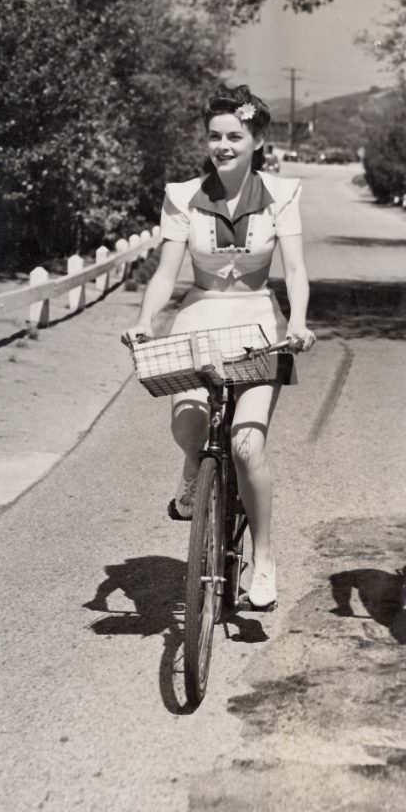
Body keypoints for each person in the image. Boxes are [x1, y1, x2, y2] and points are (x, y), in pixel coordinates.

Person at [122, 83, 315, 609]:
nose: (223, 145)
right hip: (199, 316)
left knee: (247, 445)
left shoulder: (283, 195)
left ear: (256, 140)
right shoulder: (182, 196)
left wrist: (297, 320)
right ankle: (193, 468)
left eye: (235, 135)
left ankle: (266, 558)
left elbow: (295, 271)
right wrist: (145, 321)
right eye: (214, 135)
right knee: (187, 423)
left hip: (256, 320)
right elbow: (166, 275)